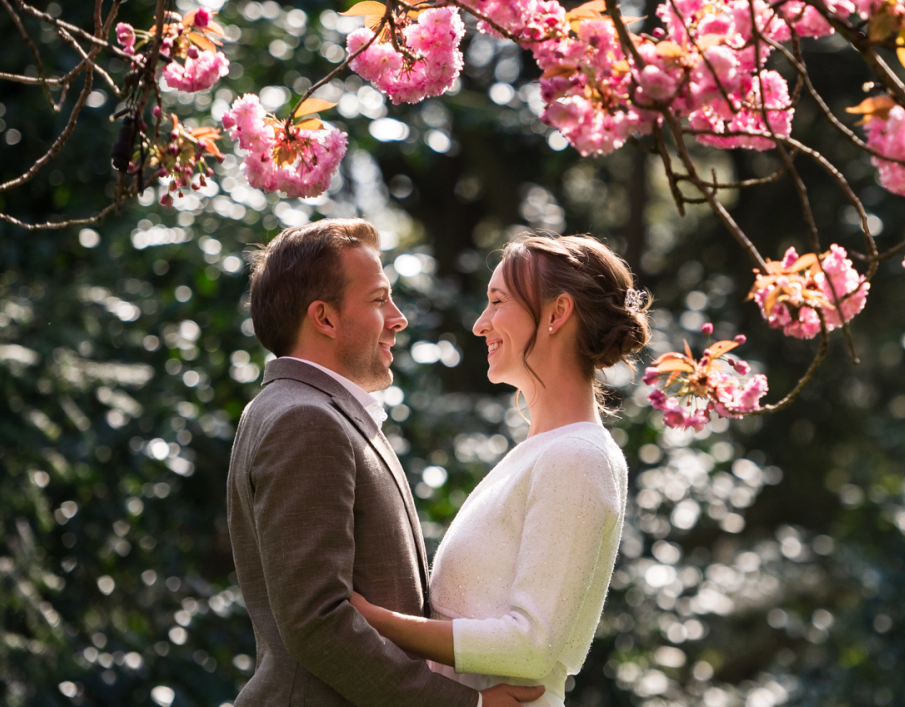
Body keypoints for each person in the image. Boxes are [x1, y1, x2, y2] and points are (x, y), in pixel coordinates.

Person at [226, 218, 545, 707]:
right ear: (324, 318)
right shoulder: (305, 420)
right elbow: (318, 622)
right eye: (378, 300)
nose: (398, 318)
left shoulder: (299, 409)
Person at [351, 232, 650, 707]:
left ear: (557, 313)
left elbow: (533, 647)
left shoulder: (577, 456)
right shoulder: (538, 452)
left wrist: (375, 622)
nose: (479, 324)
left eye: (497, 301)